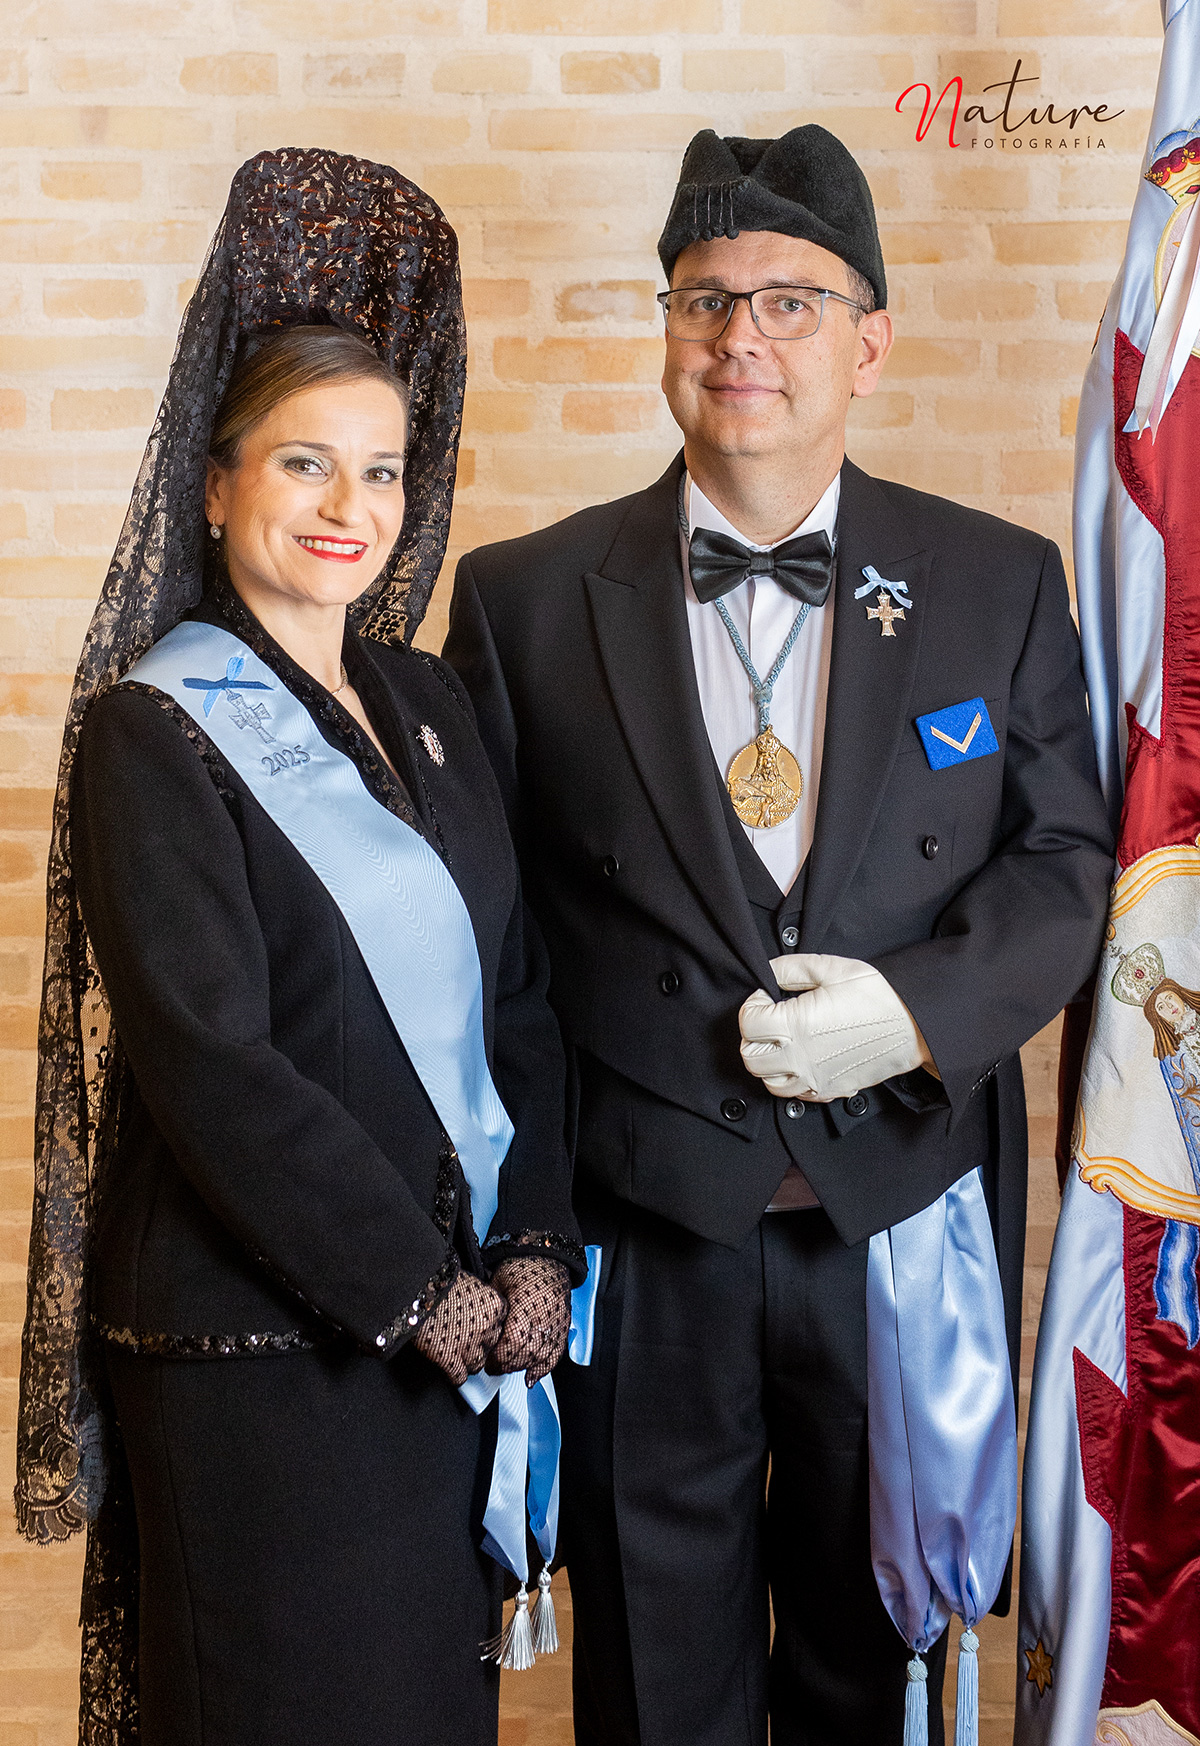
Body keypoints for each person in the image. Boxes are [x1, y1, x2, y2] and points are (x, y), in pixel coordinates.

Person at [443, 125, 1115, 1745]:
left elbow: (1068, 860)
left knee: (870, 1670)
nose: (742, 335)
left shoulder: (999, 582)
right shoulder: (522, 598)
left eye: (792, 301)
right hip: (644, 1229)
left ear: (869, 343)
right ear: (667, 333)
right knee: (654, 1681)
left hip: (895, 1225)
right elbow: (488, 941)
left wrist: (920, 1013)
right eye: (705, 299)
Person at [15, 147, 584, 1746]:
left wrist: (534, 1247)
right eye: (306, 465)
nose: (353, 510)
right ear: (215, 484)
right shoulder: (154, 729)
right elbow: (215, 1065)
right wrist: (423, 1290)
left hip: (440, 1352)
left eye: (384, 471)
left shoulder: (428, 702)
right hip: (263, 1364)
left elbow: (516, 997)